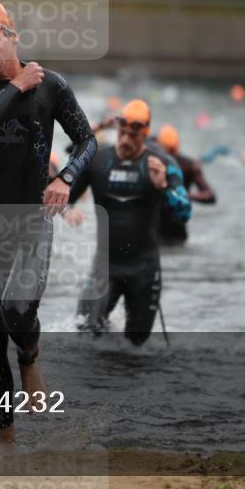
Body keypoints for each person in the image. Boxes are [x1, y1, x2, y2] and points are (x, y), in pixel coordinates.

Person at [0, 0, 96, 448]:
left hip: (30, 223)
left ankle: (30, 355)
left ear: (14, 37)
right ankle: (6, 443)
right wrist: (16, 86)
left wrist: (66, 178)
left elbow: (88, 142)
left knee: (16, 310)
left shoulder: (51, 87)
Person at [69, 100, 191, 345]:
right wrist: (66, 210)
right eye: (122, 133)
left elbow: (184, 212)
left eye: (133, 135)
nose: (125, 140)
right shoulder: (98, 159)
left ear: (145, 133)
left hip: (143, 269)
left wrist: (163, 187)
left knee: (137, 346)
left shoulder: (162, 164)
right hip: (104, 266)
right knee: (84, 335)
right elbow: (62, 194)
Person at [154, 124, 216, 246]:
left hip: (163, 227)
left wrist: (185, 195)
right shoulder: (190, 164)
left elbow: (211, 196)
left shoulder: (156, 163)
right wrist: (185, 196)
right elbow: (209, 195)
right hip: (174, 226)